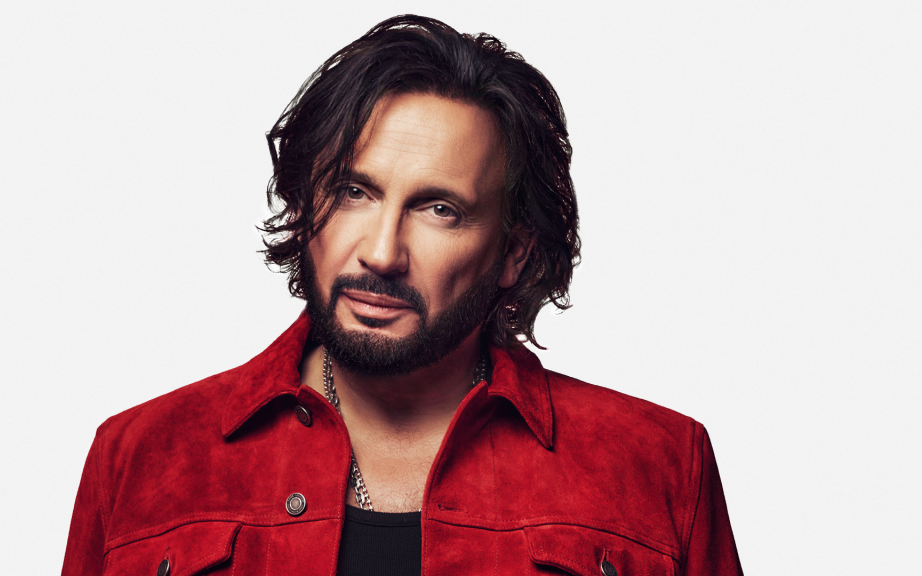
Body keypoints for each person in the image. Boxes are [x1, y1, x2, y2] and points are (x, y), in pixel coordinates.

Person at [62, 15, 742, 576]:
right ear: (302, 208)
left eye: (440, 209)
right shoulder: (139, 457)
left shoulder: (659, 464)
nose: (382, 253)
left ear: (514, 252)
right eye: (353, 192)